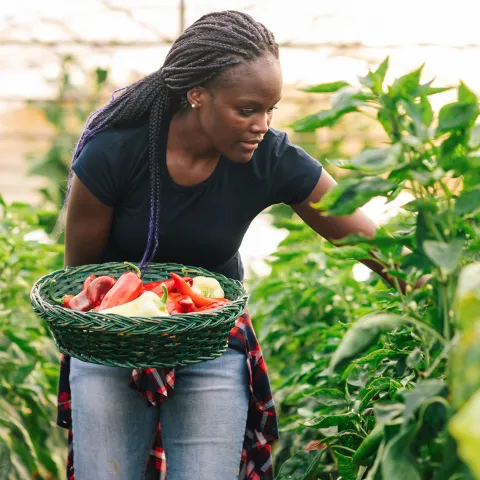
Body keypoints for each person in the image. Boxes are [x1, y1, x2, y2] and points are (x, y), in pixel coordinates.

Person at [58, 9, 426, 480]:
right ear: (197, 95)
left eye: (270, 110)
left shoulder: (269, 156)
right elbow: (83, 281)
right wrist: (127, 329)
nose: (261, 124)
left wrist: (436, 294)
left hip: (211, 341)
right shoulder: (116, 152)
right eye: (247, 109)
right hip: (114, 346)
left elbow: (370, 243)